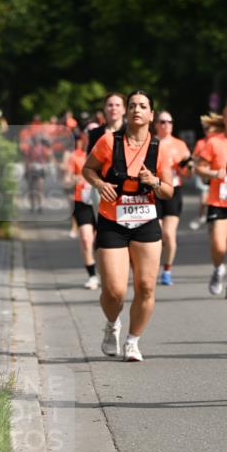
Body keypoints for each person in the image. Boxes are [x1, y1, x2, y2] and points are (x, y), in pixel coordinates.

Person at [82, 90, 174, 362]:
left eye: (143, 106)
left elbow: (168, 190)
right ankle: (112, 324)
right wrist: (100, 184)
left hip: (146, 221)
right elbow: (88, 169)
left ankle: (133, 341)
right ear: (126, 112)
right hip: (113, 221)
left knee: (146, 287)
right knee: (114, 291)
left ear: (151, 114)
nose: (136, 110)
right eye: (132, 105)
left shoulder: (159, 148)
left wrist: (154, 181)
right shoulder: (109, 141)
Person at [195, 104, 227, 300]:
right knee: (219, 245)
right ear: (223, 120)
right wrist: (215, 173)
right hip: (219, 201)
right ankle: (218, 269)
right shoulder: (214, 142)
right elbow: (199, 168)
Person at [154, 111, 193, 285]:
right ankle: (151, 268)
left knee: (169, 234)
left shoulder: (179, 144)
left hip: (173, 191)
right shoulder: (150, 142)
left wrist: (188, 166)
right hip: (154, 191)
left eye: (169, 122)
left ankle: (167, 270)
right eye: (162, 121)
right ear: (156, 124)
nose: (166, 125)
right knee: (156, 234)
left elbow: (187, 172)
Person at [65, 129, 99, 289]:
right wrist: (76, 179)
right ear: (84, 136)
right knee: (86, 238)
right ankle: (92, 276)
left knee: (102, 241)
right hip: (82, 200)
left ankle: (107, 272)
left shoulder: (107, 154)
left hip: (103, 202)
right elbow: (66, 180)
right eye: (88, 132)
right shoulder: (75, 156)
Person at [190, 115, 222, 230]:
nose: (207, 131)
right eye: (205, 129)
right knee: (204, 200)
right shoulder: (201, 143)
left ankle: (212, 221)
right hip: (205, 175)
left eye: (209, 128)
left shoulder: (221, 141)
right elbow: (194, 158)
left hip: (219, 178)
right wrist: (202, 160)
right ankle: (201, 216)